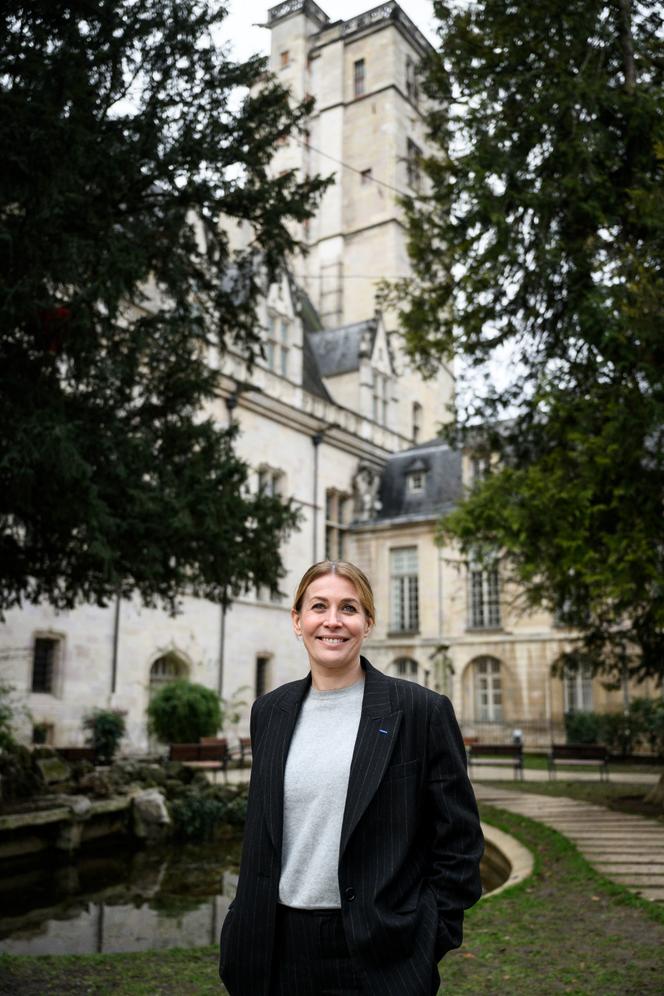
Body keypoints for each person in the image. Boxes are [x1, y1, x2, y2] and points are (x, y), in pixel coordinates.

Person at [219, 560, 483, 996]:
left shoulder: (420, 711)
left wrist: (427, 935)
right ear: (297, 621)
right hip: (275, 948)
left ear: (368, 623)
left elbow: (460, 843)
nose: (333, 621)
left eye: (349, 608)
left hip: (379, 950)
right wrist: (240, 921)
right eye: (318, 606)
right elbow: (262, 836)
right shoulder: (269, 712)